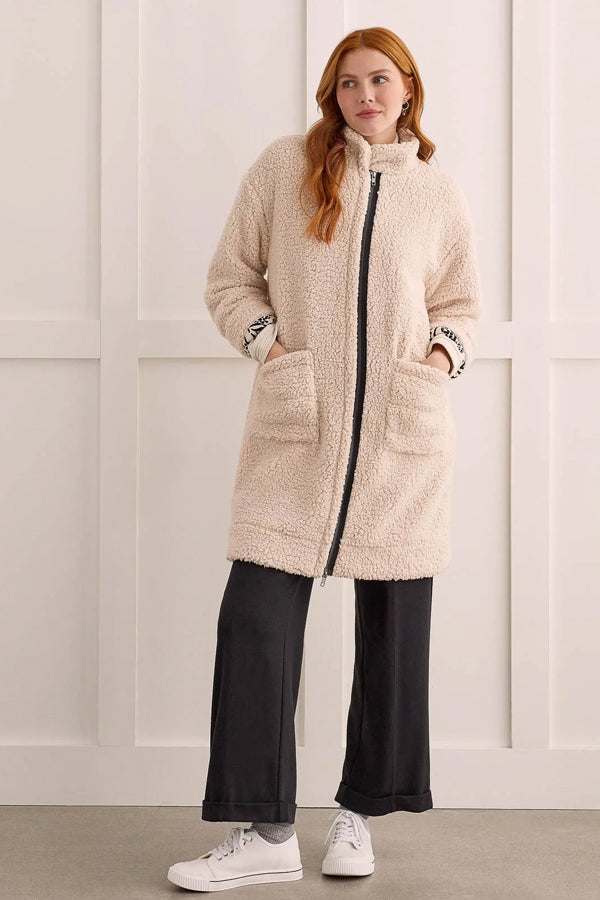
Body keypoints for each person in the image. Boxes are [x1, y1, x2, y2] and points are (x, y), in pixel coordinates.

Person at [167, 24, 482, 894]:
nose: (364, 95)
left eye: (380, 79)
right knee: (255, 624)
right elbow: (230, 278)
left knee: (393, 636)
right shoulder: (286, 169)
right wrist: (271, 346)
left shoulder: (437, 195)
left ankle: (359, 819)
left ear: (408, 88)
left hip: (401, 442)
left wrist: (437, 360)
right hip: (295, 431)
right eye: (348, 82)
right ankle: (267, 834)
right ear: (331, 94)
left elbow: (461, 304)